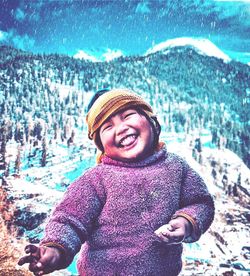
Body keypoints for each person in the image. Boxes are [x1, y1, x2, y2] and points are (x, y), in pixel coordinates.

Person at [18, 88, 215, 276]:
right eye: (107, 126)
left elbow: (200, 202)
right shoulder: (95, 180)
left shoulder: (176, 167)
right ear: (101, 144)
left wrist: (186, 222)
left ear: (150, 120)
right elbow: (69, 220)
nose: (121, 128)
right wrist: (54, 250)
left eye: (128, 115)